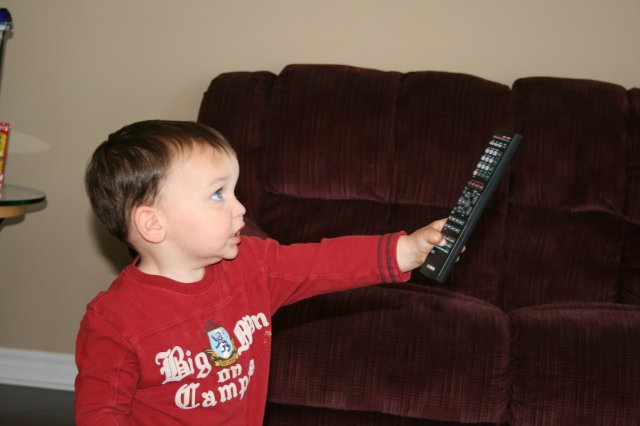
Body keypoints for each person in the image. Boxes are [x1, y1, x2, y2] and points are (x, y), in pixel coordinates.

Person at [75, 120, 451, 425]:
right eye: (218, 194)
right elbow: (101, 414)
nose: (240, 208)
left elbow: (322, 263)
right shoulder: (113, 322)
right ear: (153, 224)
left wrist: (407, 250)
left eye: (234, 191)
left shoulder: (252, 265)